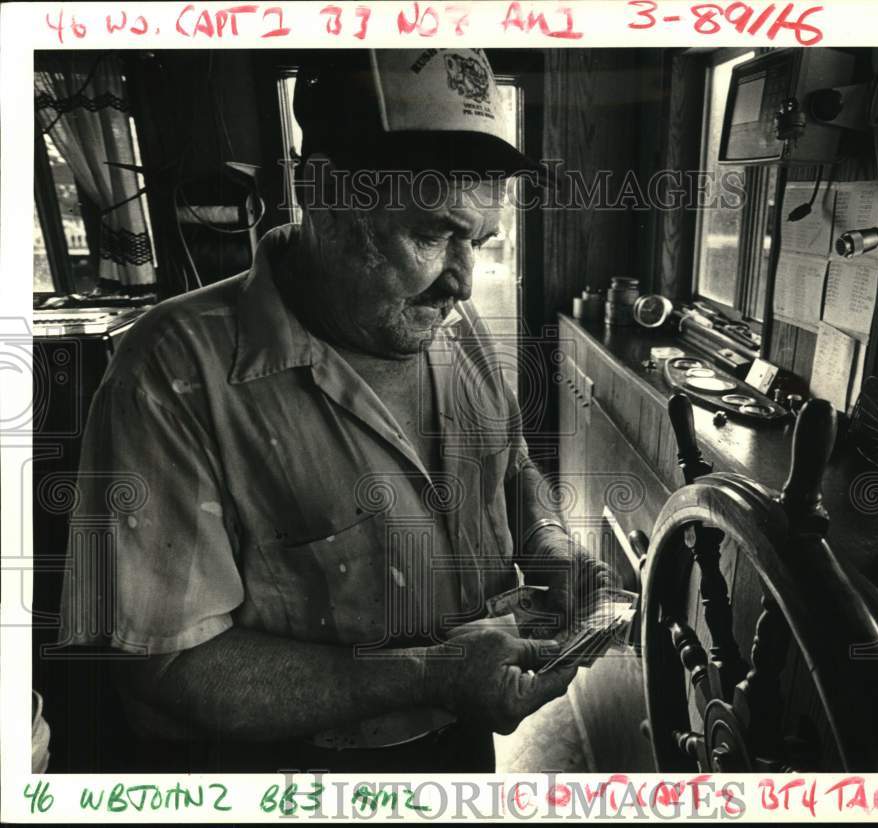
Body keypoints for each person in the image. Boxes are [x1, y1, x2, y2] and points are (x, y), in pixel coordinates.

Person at [58, 48, 613, 773]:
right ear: (322, 191)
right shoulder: (169, 373)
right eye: (430, 233)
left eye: (477, 241)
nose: (464, 284)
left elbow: (507, 462)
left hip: (464, 737)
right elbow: (162, 670)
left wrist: (545, 540)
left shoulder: (449, 322)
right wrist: (431, 673)